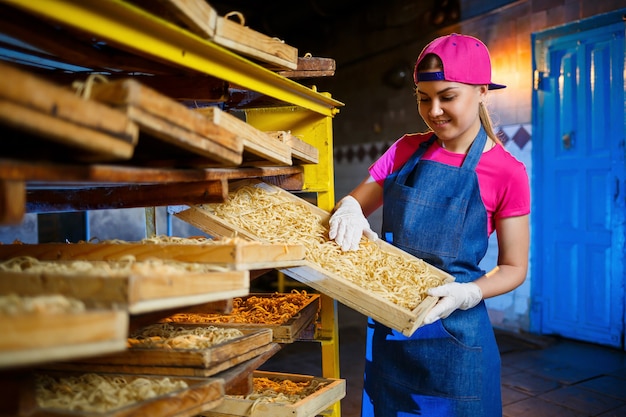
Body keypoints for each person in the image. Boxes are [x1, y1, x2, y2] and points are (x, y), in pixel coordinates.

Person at [328, 33, 530, 417]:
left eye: (447, 96)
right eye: (423, 98)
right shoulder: (405, 149)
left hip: (456, 337)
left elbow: (514, 268)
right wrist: (350, 209)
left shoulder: (507, 172)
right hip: (391, 329)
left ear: (482, 91)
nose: (433, 110)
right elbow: (357, 200)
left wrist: (468, 293)